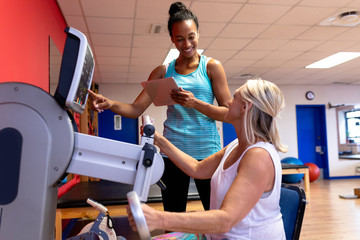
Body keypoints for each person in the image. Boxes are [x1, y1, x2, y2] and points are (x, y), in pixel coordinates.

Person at [88, 1, 231, 212]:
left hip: (208, 152)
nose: (187, 44)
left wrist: (195, 103)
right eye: (180, 39)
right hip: (171, 153)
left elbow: (228, 114)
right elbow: (136, 109)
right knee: (173, 218)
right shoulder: (163, 72)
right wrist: (110, 104)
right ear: (172, 39)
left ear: (198, 33)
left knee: (216, 216)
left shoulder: (212, 67)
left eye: (191, 37)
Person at [128, 78, 288, 239]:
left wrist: (158, 219)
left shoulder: (258, 156)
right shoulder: (236, 145)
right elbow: (197, 169)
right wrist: (158, 139)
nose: (228, 103)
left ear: (245, 107)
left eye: (234, 98)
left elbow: (226, 220)